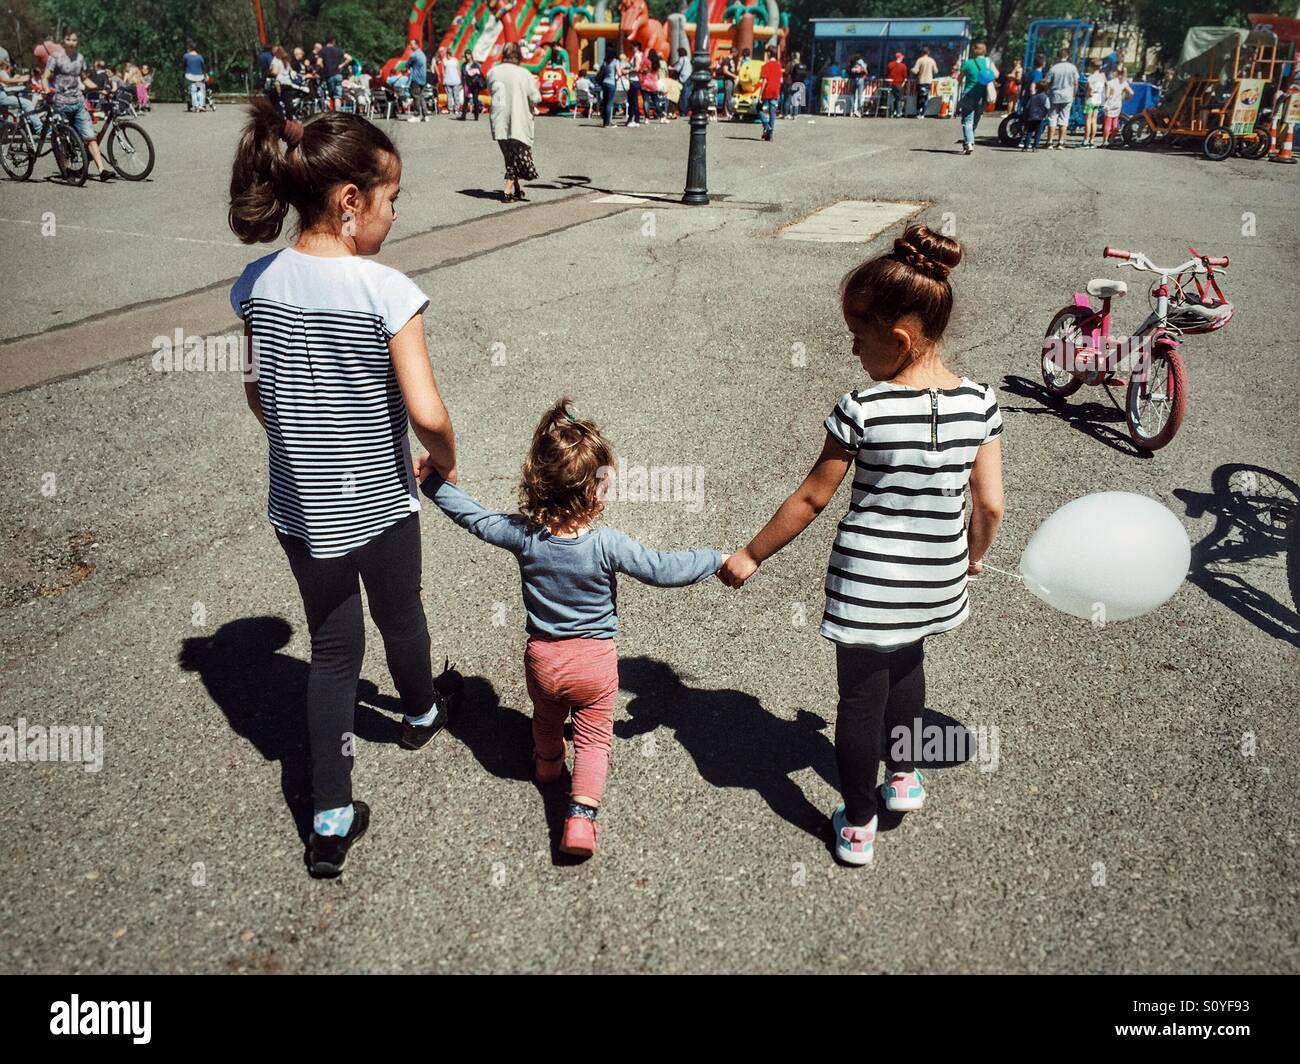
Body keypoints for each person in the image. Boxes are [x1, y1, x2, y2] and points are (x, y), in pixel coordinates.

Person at [718, 224, 1004, 867]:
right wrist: (973, 555)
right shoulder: (982, 403)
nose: (851, 349)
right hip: (937, 577)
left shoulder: (864, 409)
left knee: (858, 701)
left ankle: (857, 819)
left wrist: (751, 553)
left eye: (857, 335)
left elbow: (812, 497)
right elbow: (990, 504)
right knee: (908, 670)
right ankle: (903, 777)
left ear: (899, 339)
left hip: (869, 585)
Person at [227, 99, 459, 879]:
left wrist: (295, 444)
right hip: (382, 501)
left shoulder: (257, 283)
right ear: (349, 201)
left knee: (331, 650)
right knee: (402, 614)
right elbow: (426, 412)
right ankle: (422, 709)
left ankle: (330, 818)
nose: (395, 214)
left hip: (301, 506)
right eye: (391, 199)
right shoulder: (387, 291)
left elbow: (259, 393)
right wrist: (447, 458)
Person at [420, 399, 723, 859]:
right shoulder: (607, 544)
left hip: (543, 660)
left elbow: (476, 518)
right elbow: (662, 569)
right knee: (595, 737)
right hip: (594, 664)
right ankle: (580, 816)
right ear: (594, 493)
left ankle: (546, 766)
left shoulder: (523, 534)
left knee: (546, 718)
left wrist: (434, 484)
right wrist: (713, 559)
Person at [41, 31, 115, 179]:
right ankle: (66, 169)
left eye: (74, 40)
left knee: (90, 136)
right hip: (61, 103)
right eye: (68, 39)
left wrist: (100, 89)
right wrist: (46, 90)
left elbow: (84, 79)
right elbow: (45, 77)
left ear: (77, 42)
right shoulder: (55, 57)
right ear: (63, 40)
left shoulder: (80, 58)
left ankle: (102, 171)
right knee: (62, 139)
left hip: (78, 102)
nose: (71, 42)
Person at [487, 41, 540, 202]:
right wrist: (536, 88)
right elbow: (534, 97)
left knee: (509, 156)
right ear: (519, 56)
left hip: (499, 119)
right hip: (518, 119)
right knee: (519, 157)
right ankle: (507, 190)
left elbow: (491, 91)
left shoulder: (493, 72)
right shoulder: (524, 74)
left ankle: (517, 188)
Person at [956, 41, 997, 155]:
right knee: (976, 118)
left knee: (967, 120)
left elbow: (959, 79)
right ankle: (969, 140)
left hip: (969, 94)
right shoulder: (988, 62)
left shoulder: (968, 63)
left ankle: (968, 143)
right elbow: (996, 74)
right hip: (983, 95)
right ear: (984, 51)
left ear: (974, 50)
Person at [1045, 47, 1078, 149]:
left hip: (1055, 95)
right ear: (1067, 56)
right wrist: (1074, 94)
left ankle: (1049, 142)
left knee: (1052, 118)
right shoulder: (1072, 68)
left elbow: (1047, 82)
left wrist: (1047, 92)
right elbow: (1075, 83)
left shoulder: (1053, 68)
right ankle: (1061, 142)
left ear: (1058, 56)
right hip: (1068, 95)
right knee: (1064, 119)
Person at [0, 60, 41, 133]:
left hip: (2, 93)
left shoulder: (2, 71)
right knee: (27, 104)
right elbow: (6, 81)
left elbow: (7, 83)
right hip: (1, 95)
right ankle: (40, 129)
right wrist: (21, 79)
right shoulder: (2, 72)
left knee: (4, 114)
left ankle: (3, 132)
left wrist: (19, 79)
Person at [1102, 65, 1133, 146]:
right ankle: (1112, 140)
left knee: (1107, 124)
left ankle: (1105, 141)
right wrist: (1126, 98)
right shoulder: (1123, 82)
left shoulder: (1110, 83)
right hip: (1118, 104)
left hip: (1110, 104)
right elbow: (1132, 93)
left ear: (1114, 73)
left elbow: (1107, 96)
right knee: (1115, 123)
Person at [757, 45, 782, 141]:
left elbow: (764, 81)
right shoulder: (779, 66)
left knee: (758, 108)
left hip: (767, 89)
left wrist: (760, 94)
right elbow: (780, 80)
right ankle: (770, 134)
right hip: (776, 90)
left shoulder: (766, 66)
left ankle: (767, 126)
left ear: (768, 54)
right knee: (772, 112)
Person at [1019, 79, 1050, 151]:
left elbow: (1027, 106)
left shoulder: (1033, 96)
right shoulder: (1046, 97)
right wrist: (1046, 114)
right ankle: (1035, 147)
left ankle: (1025, 146)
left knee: (1029, 132)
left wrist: (1026, 115)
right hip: (1040, 117)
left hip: (1031, 116)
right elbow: (1048, 107)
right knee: (1038, 133)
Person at [1082, 58, 1105, 147]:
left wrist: (1088, 92)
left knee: (1088, 120)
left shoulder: (1090, 78)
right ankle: (1092, 140)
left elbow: (1089, 89)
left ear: (1092, 67)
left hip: (1090, 100)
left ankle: (1086, 139)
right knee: (1094, 120)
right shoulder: (1102, 77)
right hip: (1098, 99)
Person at [319, 36, 345, 110]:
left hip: (329, 75)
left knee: (332, 96)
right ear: (333, 41)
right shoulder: (338, 50)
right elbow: (349, 58)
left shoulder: (322, 51)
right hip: (338, 74)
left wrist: (324, 67)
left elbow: (318, 62)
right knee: (337, 96)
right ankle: (338, 114)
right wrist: (341, 65)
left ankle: (333, 113)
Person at [405, 38, 428, 121]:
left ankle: (416, 115)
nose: (410, 46)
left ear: (417, 45)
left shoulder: (414, 55)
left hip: (416, 78)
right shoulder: (423, 54)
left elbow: (407, 65)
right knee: (421, 97)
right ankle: (425, 115)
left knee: (416, 97)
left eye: (412, 44)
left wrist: (408, 66)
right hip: (423, 79)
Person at [911, 46, 937, 117]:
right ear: (928, 52)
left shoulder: (920, 60)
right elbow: (936, 71)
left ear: (922, 52)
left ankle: (918, 113)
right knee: (925, 97)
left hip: (920, 81)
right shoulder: (932, 60)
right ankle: (923, 114)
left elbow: (915, 71)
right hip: (928, 81)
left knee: (919, 97)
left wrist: (911, 69)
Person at [182, 42, 206, 112]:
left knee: (193, 91)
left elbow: (184, 65)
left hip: (190, 76)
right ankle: (201, 105)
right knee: (200, 91)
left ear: (189, 48)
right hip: (200, 76)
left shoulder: (186, 56)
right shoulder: (200, 57)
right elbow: (203, 67)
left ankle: (195, 106)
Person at [598, 50, 620, 126]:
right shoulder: (615, 61)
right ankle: (607, 123)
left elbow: (600, 73)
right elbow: (619, 73)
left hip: (604, 83)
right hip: (611, 83)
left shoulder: (605, 62)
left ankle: (605, 122)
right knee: (609, 103)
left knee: (605, 102)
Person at [440, 47, 463, 116]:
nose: (448, 55)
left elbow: (443, 71)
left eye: (449, 53)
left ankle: (453, 110)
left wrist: (443, 80)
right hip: (452, 81)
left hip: (452, 81)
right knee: (454, 96)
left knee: (452, 96)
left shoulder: (447, 60)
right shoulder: (454, 60)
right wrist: (460, 79)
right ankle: (454, 110)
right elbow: (458, 70)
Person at [886, 51, 908, 117]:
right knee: (898, 99)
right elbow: (905, 77)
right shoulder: (903, 66)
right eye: (902, 57)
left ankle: (891, 113)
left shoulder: (890, 64)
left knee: (891, 98)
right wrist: (903, 84)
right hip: (899, 84)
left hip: (891, 83)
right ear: (900, 57)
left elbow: (887, 74)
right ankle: (898, 113)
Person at [625, 42, 643, 126]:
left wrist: (627, 70)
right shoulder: (636, 55)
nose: (631, 49)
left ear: (636, 47)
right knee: (633, 101)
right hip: (634, 80)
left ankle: (634, 119)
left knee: (633, 101)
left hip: (634, 80)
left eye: (632, 47)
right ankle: (634, 119)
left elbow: (636, 68)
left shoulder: (637, 56)